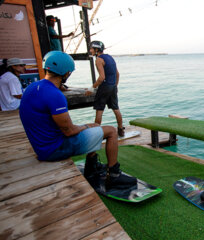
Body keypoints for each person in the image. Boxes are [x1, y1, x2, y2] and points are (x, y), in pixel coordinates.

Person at [19, 51, 136, 189]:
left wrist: (88, 126)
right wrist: (86, 126)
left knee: (94, 127)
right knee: (110, 131)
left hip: (42, 146)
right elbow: (69, 131)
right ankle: (115, 176)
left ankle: (92, 167)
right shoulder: (55, 95)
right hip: (55, 149)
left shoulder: (31, 88)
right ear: (66, 73)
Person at [85, 40, 125, 137]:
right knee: (116, 109)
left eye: (91, 48)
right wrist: (115, 86)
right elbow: (117, 74)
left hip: (104, 87)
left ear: (96, 49)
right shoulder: (110, 57)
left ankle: (96, 134)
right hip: (112, 86)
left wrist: (92, 88)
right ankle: (120, 130)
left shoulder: (98, 60)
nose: (90, 50)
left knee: (99, 110)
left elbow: (102, 77)